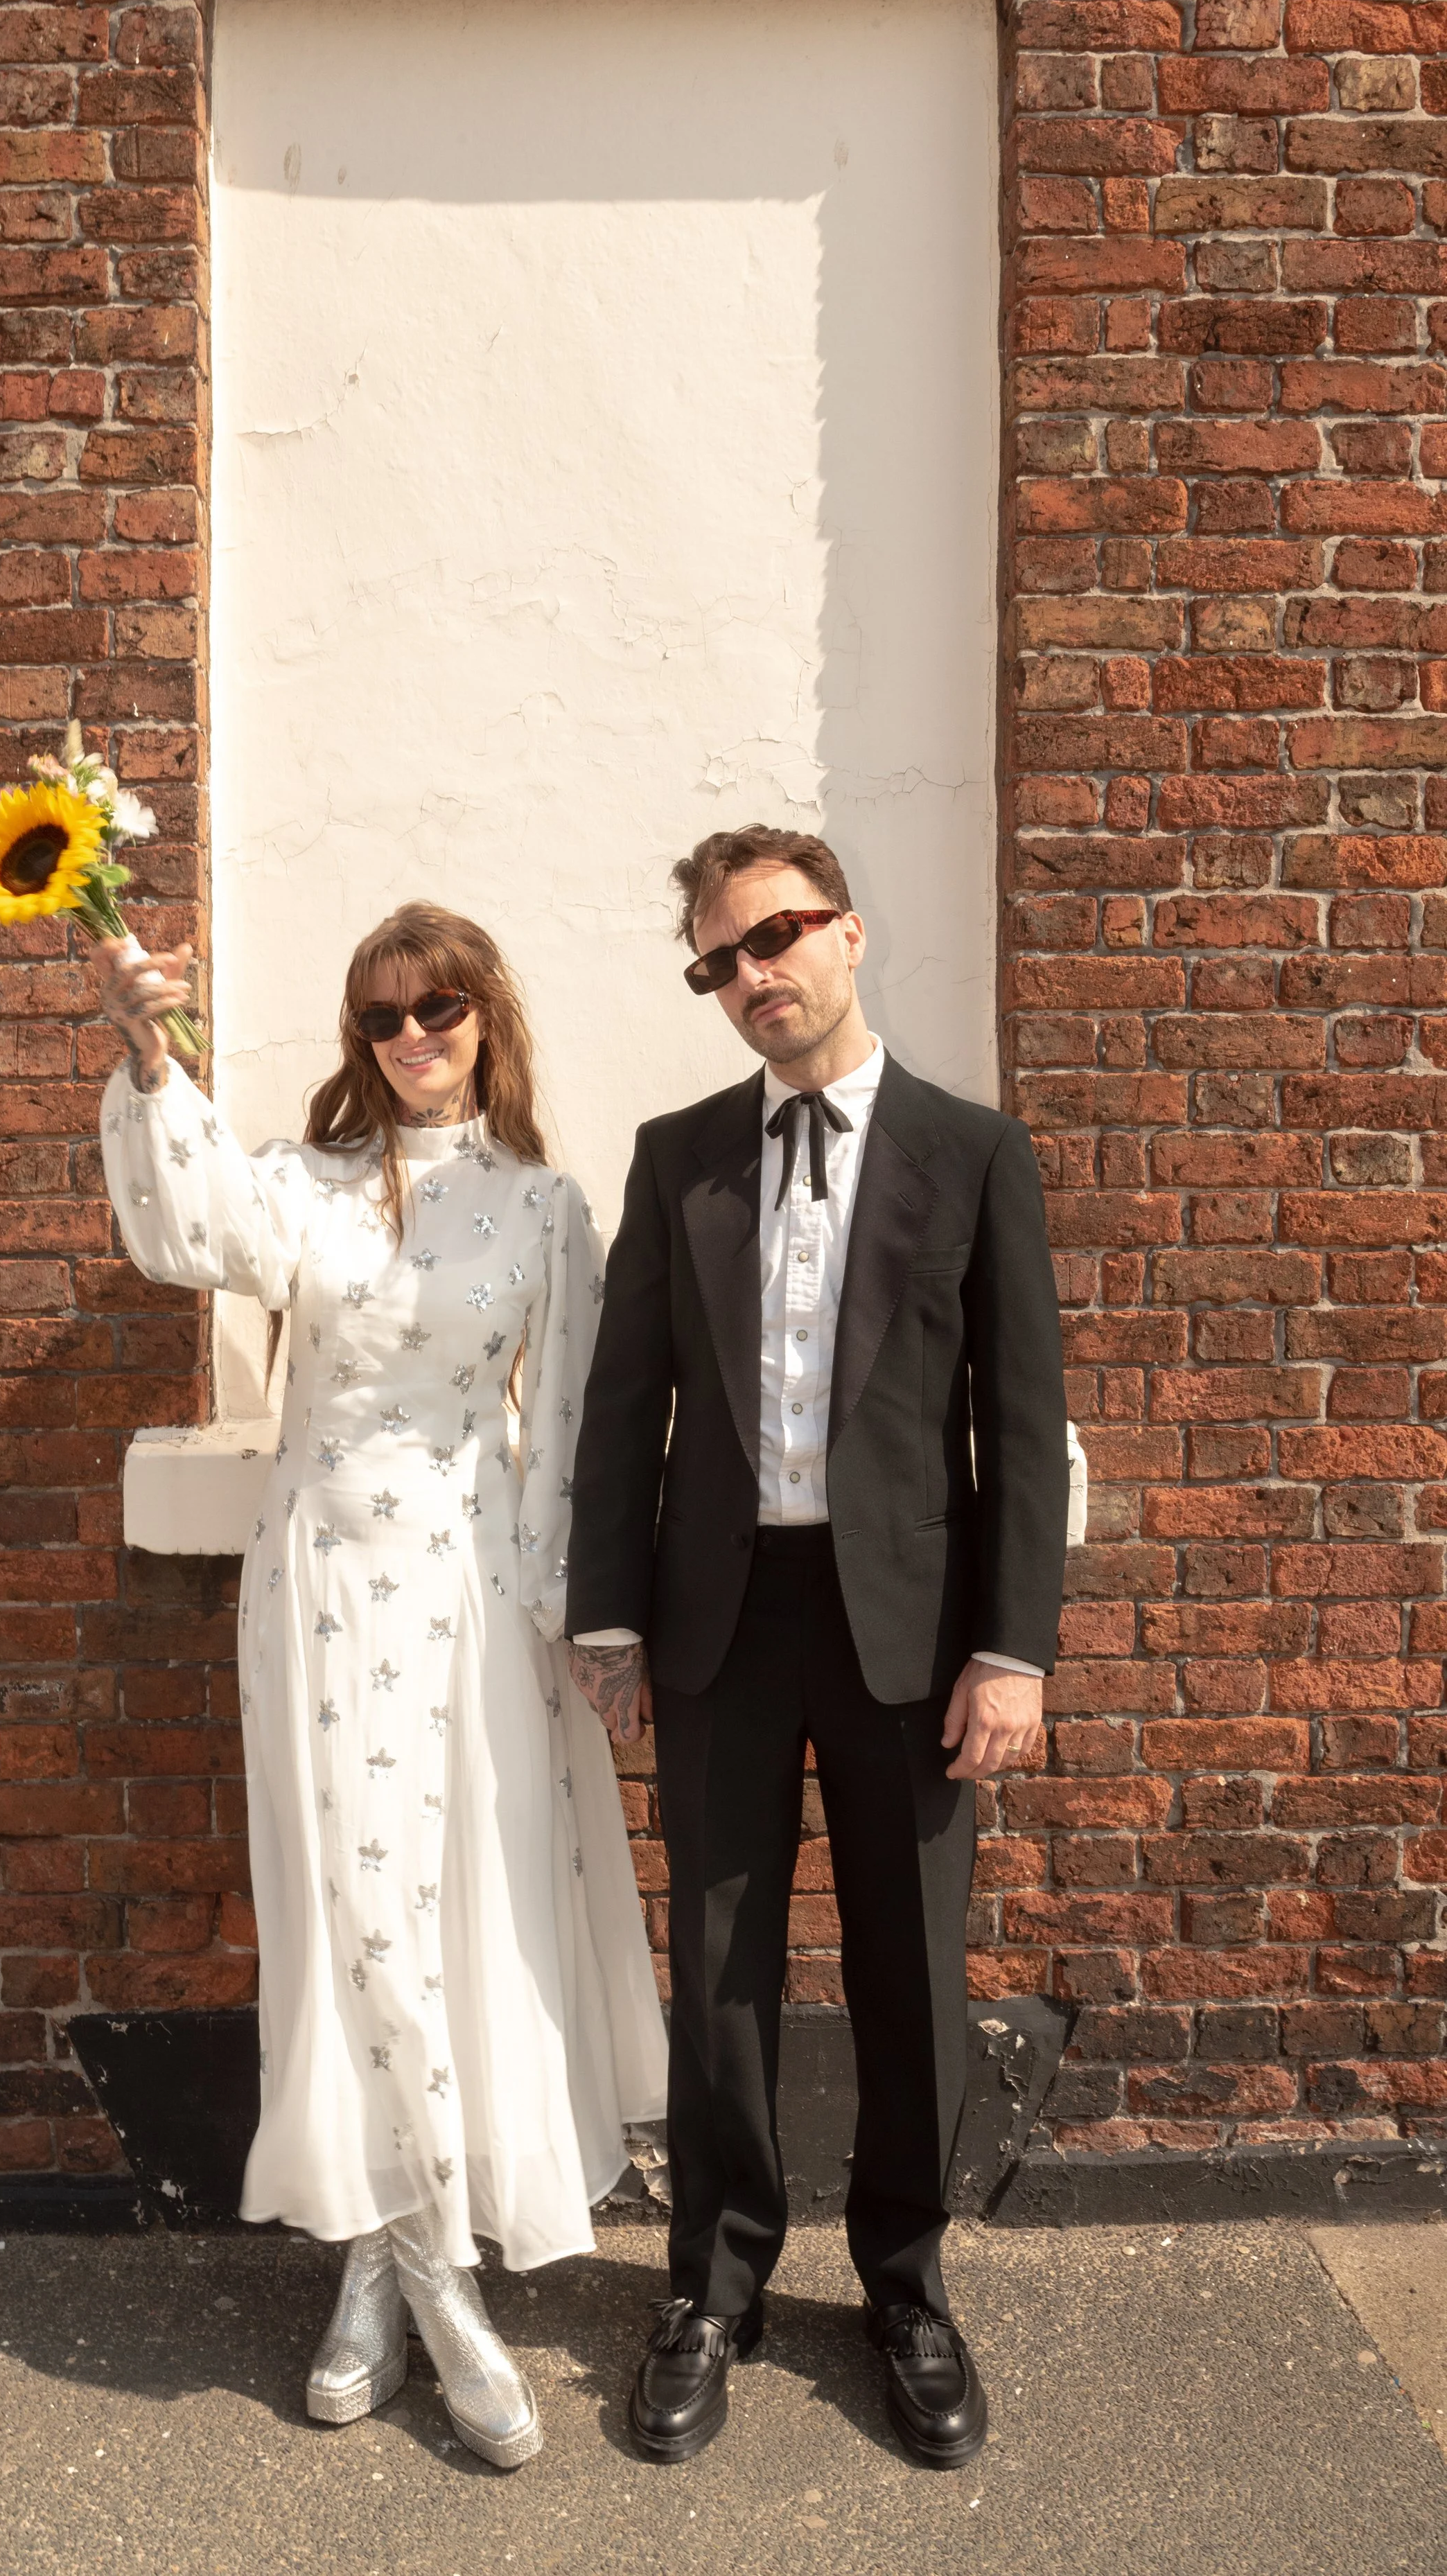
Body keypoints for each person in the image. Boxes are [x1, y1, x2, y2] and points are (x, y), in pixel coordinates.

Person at [93, 903, 666, 2471]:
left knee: (452, 1916)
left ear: (488, 1017)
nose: (413, 1037)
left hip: (476, 1603)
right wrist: (149, 1053)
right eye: (384, 1017)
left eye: (441, 1008)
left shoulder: (544, 1207)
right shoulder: (308, 1185)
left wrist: (581, 1625)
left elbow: (561, 1432)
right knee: (351, 1915)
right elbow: (184, 1228)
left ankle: (387, 2253)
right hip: (323, 1595)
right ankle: (422, 2280)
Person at [564, 827, 1068, 2471]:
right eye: (715, 960)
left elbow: (1019, 1418)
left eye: (770, 938)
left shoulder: (970, 1152)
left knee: (908, 1970)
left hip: (910, 1638)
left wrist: (1012, 1650)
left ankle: (906, 2290)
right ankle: (712, 2287)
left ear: (847, 930)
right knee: (714, 1972)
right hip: (720, 1615)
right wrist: (608, 1606)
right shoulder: (678, 1155)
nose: (747, 978)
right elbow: (622, 1398)